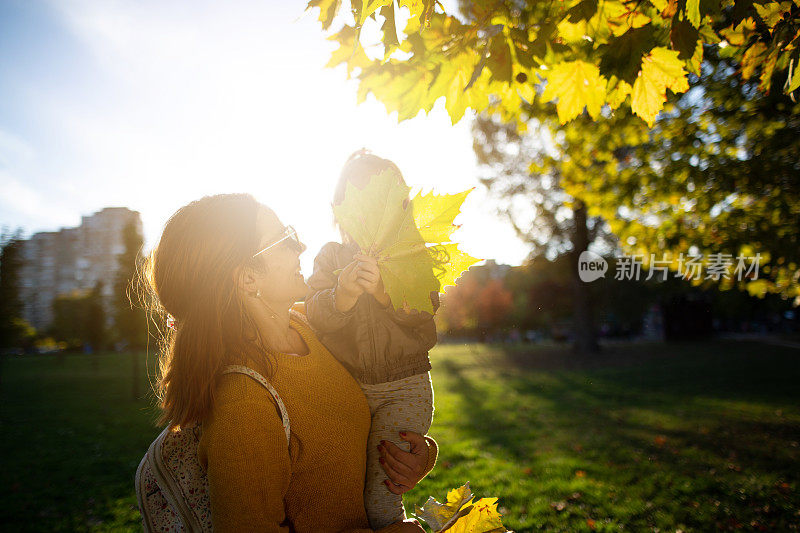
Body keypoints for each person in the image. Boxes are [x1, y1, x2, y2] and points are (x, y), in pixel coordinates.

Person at [143, 193, 436, 532]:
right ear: (248, 279)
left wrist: (415, 457)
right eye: (285, 240)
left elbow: (367, 413)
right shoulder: (243, 402)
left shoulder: (308, 327)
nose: (301, 247)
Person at [306, 151, 440, 530]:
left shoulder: (411, 254)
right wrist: (342, 296)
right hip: (351, 389)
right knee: (349, 480)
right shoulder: (331, 256)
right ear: (340, 209)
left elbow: (425, 309)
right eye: (355, 196)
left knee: (381, 489)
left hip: (405, 388)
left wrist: (386, 291)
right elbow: (314, 310)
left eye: (378, 196)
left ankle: (393, 526)